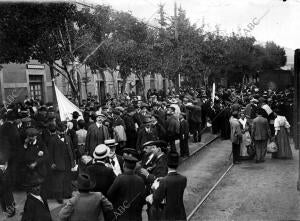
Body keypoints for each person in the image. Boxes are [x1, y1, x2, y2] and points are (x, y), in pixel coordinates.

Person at [107, 155, 146, 221]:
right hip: (136, 216)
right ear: (134, 167)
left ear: (124, 165)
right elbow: (142, 197)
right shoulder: (140, 180)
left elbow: (109, 194)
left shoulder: (120, 178)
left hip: (121, 215)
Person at [152, 151, 187, 221]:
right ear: (177, 165)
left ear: (167, 165)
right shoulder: (183, 179)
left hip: (168, 215)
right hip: (180, 214)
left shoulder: (164, 181)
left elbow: (156, 199)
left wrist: (155, 187)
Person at [46, 123, 75, 203]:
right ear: (57, 131)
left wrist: (73, 161)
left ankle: (66, 194)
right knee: (59, 180)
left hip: (66, 162)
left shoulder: (67, 137)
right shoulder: (53, 139)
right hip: (59, 162)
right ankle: (60, 196)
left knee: (66, 179)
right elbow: (50, 153)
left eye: (63, 131)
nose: (62, 133)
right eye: (60, 131)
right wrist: (52, 163)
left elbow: (71, 150)